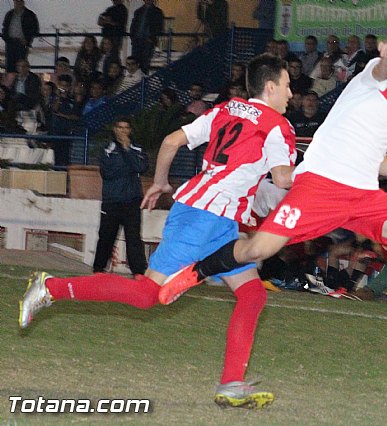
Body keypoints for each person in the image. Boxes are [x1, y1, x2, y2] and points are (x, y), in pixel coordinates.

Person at [160, 42, 387, 344]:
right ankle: (197, 270)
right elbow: (381, 72)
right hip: (320, 187)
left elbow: (369, 154)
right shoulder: (377, 81)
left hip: (363, 196)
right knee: (259, 249)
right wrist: (386, 58)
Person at [19, 53, 297, 410]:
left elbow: (170, 142)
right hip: (205, 218)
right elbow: (284, 179)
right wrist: (321, 171)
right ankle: (51, 287)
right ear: (271, 87)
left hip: (216, 219)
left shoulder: (228, 109)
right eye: (288, 86)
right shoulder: (277, 126)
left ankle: (231, 383)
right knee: (146, 294)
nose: (290, 94)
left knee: (253, 295)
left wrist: (162, 182)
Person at [92, 117, 149, 276]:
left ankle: (138, 272)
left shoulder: (136, 149)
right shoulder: (107, 149)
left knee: (134, 239)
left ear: (130, 130)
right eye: (120, 127)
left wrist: (127, 150)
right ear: (115, 129)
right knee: (106, 237)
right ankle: (99, 270)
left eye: (126, 128)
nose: (123, 131)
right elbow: (107, 173)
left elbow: (142, 167)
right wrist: (130, 167)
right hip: (112, 201)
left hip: (132, 201)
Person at [1, 0, 39, 73]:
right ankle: (11, 82)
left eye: (19, 1)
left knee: (21, 66)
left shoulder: (29, 14)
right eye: (16, 2)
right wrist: (6, 39)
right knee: (10, 66)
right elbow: (5, 28)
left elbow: (35, 30)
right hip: (10, 43)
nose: (18, 3)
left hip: (21, 44)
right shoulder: (9, 14)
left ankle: (20, 81)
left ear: (23, 2)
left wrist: (27, 40)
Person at [130, 0, 164, 74]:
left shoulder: (157, 12)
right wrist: (133, 38)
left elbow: (159, 26)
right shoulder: (138, 11)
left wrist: (152, 38)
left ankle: (143, 82)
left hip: (148, 41)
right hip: (137, 40)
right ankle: (134, 81)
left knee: (145, 63)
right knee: (134, 62)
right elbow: (133, 25)